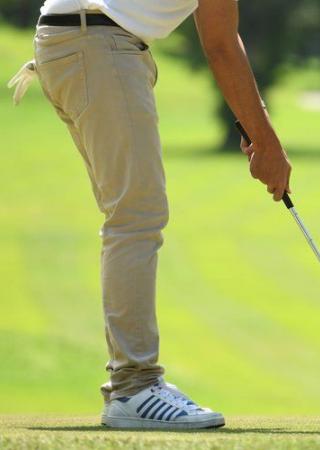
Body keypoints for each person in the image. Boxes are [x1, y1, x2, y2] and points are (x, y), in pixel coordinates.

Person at [10, 0, 292, 429]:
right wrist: (266, 141)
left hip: (78, 40)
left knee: (129, 213)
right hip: (97, 43)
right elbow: (219, 43)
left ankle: (133, 385)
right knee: (136, 215)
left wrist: (258, 129)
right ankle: (134, 387)